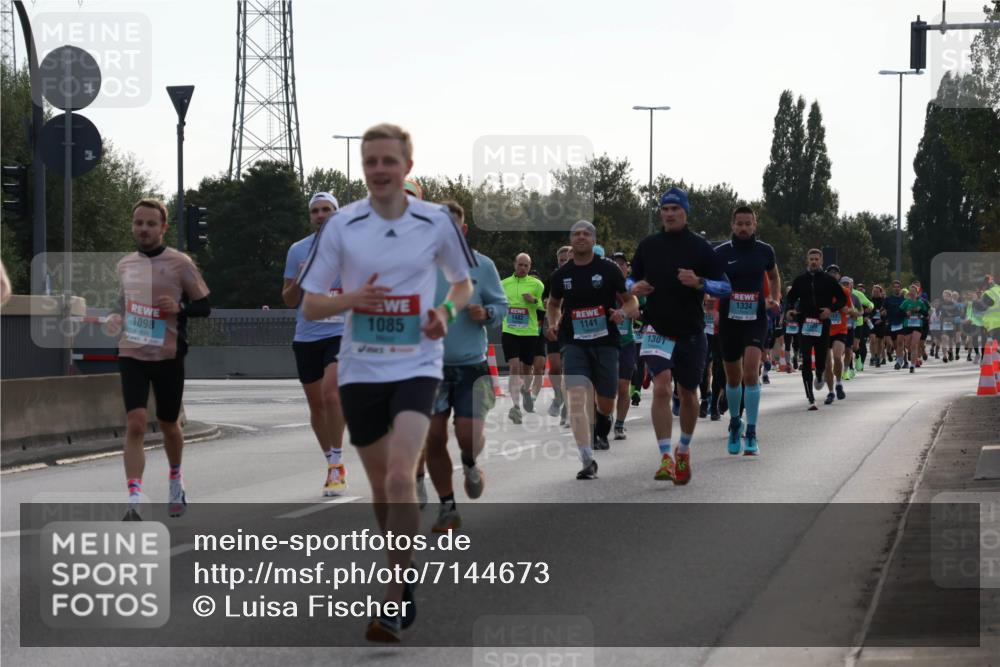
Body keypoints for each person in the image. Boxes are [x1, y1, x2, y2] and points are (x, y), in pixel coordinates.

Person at [299, 123, 475, 642]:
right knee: (382, 488)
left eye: (388, 162)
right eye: (370, 161)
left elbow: (462, 285)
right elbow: (310, 301)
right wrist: (351, 301)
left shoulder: (436, 222)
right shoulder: (343, 226)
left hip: (417, 365)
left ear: (408, 168)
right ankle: (405, 564)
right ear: (363, 167)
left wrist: (444, 309)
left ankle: (395, 597)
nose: (379, 170)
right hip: (360, 368)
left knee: (401, 478)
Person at [104, 198, 211, 521]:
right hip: (132, 351)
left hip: (168, 353)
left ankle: (175, 478)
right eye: (139, 223)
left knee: (168, 424)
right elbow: (122, 303)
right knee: (135, 422)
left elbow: (205, 306)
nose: (144, 229)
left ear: (163, 228)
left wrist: (180, 308)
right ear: (132, 226)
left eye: (151, 224)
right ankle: (134, 498)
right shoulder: (125, 264)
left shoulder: (180, 263)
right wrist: (114, 317)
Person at [630, 187, 730, 484]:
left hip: (690, 332)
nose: (670, 214)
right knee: (660, 387)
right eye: (665, 209)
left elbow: (725, 287)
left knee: (689, 393)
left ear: (685, 213)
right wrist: (632, 287)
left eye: (676, 209)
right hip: (657, 328)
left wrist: (700, 282)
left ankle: (683, 450)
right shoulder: (649, 245)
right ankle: (664, 457)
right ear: (660, 213)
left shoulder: (700, 248)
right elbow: (630, 276)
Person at [424, 200, 507, 533]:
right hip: (429, 367)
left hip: (471, 366)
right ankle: (447, 507)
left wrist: (487, 313)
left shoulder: (481, 265)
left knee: (467, 438)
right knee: (432, 436)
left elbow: (500, 303)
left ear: (463, 230)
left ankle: (471, 464)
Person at [546, 220, 639, 478]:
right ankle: (587, 460)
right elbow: (553, 304)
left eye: (586, 233)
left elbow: (632, 302)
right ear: (571, 239)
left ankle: (603, 417)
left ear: (594, 240)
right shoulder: (561, 275)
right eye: (576, 234)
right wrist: (553, 323)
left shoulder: (608, 270)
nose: (581, 237)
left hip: (606, 344)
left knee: (606, 401)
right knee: (576, 397)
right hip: (574, 343)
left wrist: (622, 312)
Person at [282, 192, 348, 496]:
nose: (321, 215)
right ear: (310, 217)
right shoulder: (297, 250)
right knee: (317, 405)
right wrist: (301, 278)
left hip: (341, 332)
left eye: (327, 210)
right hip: (307, 335)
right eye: (316, 211)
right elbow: (289, 299)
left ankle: (337, 462)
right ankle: (329, 460)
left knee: (332, 395)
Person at [713, 205, 779, 456]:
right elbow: (710, 281)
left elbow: (774, 277)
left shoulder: (765, 250)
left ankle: (751, 430)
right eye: (739, 223)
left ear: (754, 225)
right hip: (729, 320)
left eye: (747, 223)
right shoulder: (720, 253)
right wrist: (713, 305)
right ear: (732, 225)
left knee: (750, 374)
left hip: (755, 318)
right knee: (733, 378)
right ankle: (734, 424)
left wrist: (774, 297)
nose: (743, 228)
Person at [784, 249, 848, 410]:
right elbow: (790, 298)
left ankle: (819, 374)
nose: (813, 261)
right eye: (811, 259)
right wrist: (790, 310)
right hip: (805, 322)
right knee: (806, 360)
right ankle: (810, 397)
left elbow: (842, 298)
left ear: (821, 261)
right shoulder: (800, 280)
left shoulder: (828, 280)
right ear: (807, 260)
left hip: (822, 323)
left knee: (821, 361)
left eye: (816, 259)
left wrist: (831, 310)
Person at [500, 253, 545, 423]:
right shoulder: (503, 284)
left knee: (527, 369)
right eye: (520, 264)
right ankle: (516, 407)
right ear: (514, 264)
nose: (523, 268)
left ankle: (526, 391)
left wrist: (534, 301)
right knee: (513, 367)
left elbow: (545, 306)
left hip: (529, 332)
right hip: (510, 330)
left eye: (526, 265)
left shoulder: (537, 284)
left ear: (530, 266)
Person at [611, 251, 638, 439]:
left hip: (627, 342)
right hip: (606, 343)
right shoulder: (602, 287)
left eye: (622, 264)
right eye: (616, 264)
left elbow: (642, 309)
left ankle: (620, 424)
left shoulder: (632, 289)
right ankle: (604, 417)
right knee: (607, 387)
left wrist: (636, 313)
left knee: (623, 385)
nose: (619, 267)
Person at [543, 246, 572, 422]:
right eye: (561, 260)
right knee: (554, 367)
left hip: (571, 329)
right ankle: (558, 395)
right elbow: (546, 301)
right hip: (554, 326)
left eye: (566, 260)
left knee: (569, 369)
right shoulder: (554, 278)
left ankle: (567, 409)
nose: (563, 263)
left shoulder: (578, 275)